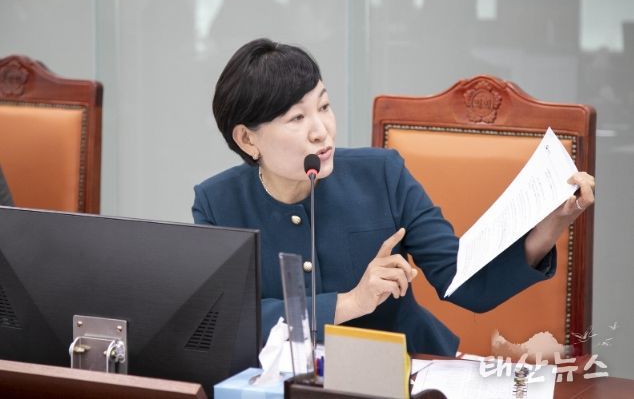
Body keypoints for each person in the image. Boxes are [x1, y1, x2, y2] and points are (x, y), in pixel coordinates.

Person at [192, 38, 595, 355]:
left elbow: (466, 284)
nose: (321, 130)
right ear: (247, 139)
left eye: (324, 106)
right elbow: (228, 322)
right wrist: (350, 303)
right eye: (297, 118)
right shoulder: (217, 203)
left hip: (405, 372)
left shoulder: (383, 174)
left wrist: (550, 226)